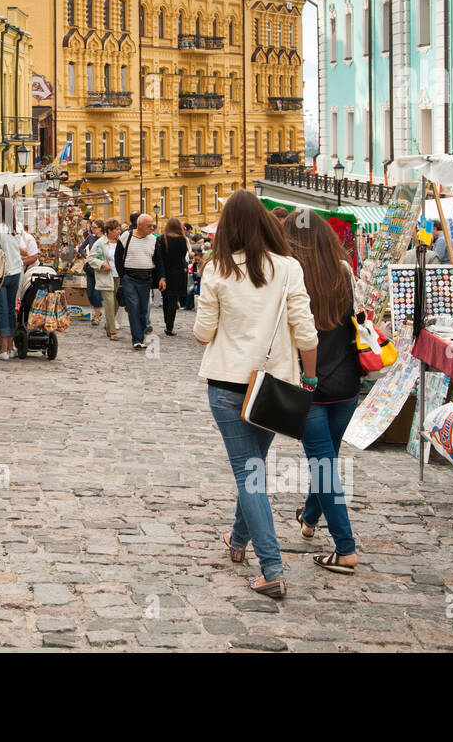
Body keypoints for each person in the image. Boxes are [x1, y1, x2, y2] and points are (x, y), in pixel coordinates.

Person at [194, 189, 318, 600]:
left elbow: (202, 334)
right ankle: (237, 541)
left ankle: (272, 569)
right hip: (273, 387)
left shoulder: (217, 270)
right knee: (254, 471)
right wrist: (311, 380)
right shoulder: (288, 268)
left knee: (250, 475)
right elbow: (306, 332)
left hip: (228, 385)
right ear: (265, 223)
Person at [283, 212, 361, 574]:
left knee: (324, 466)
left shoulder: (289, 276)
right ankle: (309, 517)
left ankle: (345, 548)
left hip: (307, 384)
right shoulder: (344, 272)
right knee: (325, 460)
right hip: (346, 384)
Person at [115, 212, 167, 350]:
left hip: (146, 278)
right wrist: (123, 276)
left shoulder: (154, 240)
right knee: (133, 308)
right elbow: (118, 257)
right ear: (140, 225)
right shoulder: (126, 236)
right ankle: (137, 339)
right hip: (130, 278)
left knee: (144, 309)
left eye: (153, 226)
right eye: (149, 226)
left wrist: (162, 277)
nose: (152, 228)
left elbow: (159, 260)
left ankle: (141, 333)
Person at [0, 197, 23, 360]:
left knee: (0, 311)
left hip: (1, 275)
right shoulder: (17, 227)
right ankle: (11, 347)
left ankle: (4, 350)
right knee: (10, 310)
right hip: (16, 273)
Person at [89, 219, 121, 340]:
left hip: (119, 276)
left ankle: (108, 324)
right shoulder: (100, 243)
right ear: (109, 231)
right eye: (117, 229)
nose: (119, 231)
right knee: (109, 303)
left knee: (117, 303)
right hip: (106, 276)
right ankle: (112, 332)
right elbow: (91, 259)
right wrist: (102, 263)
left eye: (119, 229)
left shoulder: (121, 242)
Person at [160, 217, 190, 336]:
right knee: (173, 299)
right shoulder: (182, 240)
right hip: (177, 272)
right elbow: (183, 254)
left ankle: (167, 321)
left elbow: (160, 256)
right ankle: (169, 326)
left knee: (166, 298)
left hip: (165, 272)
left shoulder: (162, 238)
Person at [78, 220, 105, 328]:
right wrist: (87, 257)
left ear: (101, 228)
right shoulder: (90, 238)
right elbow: (81, 248)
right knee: (89, 292)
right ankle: (97, 310)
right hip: (90, 268)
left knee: (96, 293)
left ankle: (96, 316)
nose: (92, 229)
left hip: (100, 269)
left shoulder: (104, 239)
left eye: (94, 227)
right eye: (91, 227)